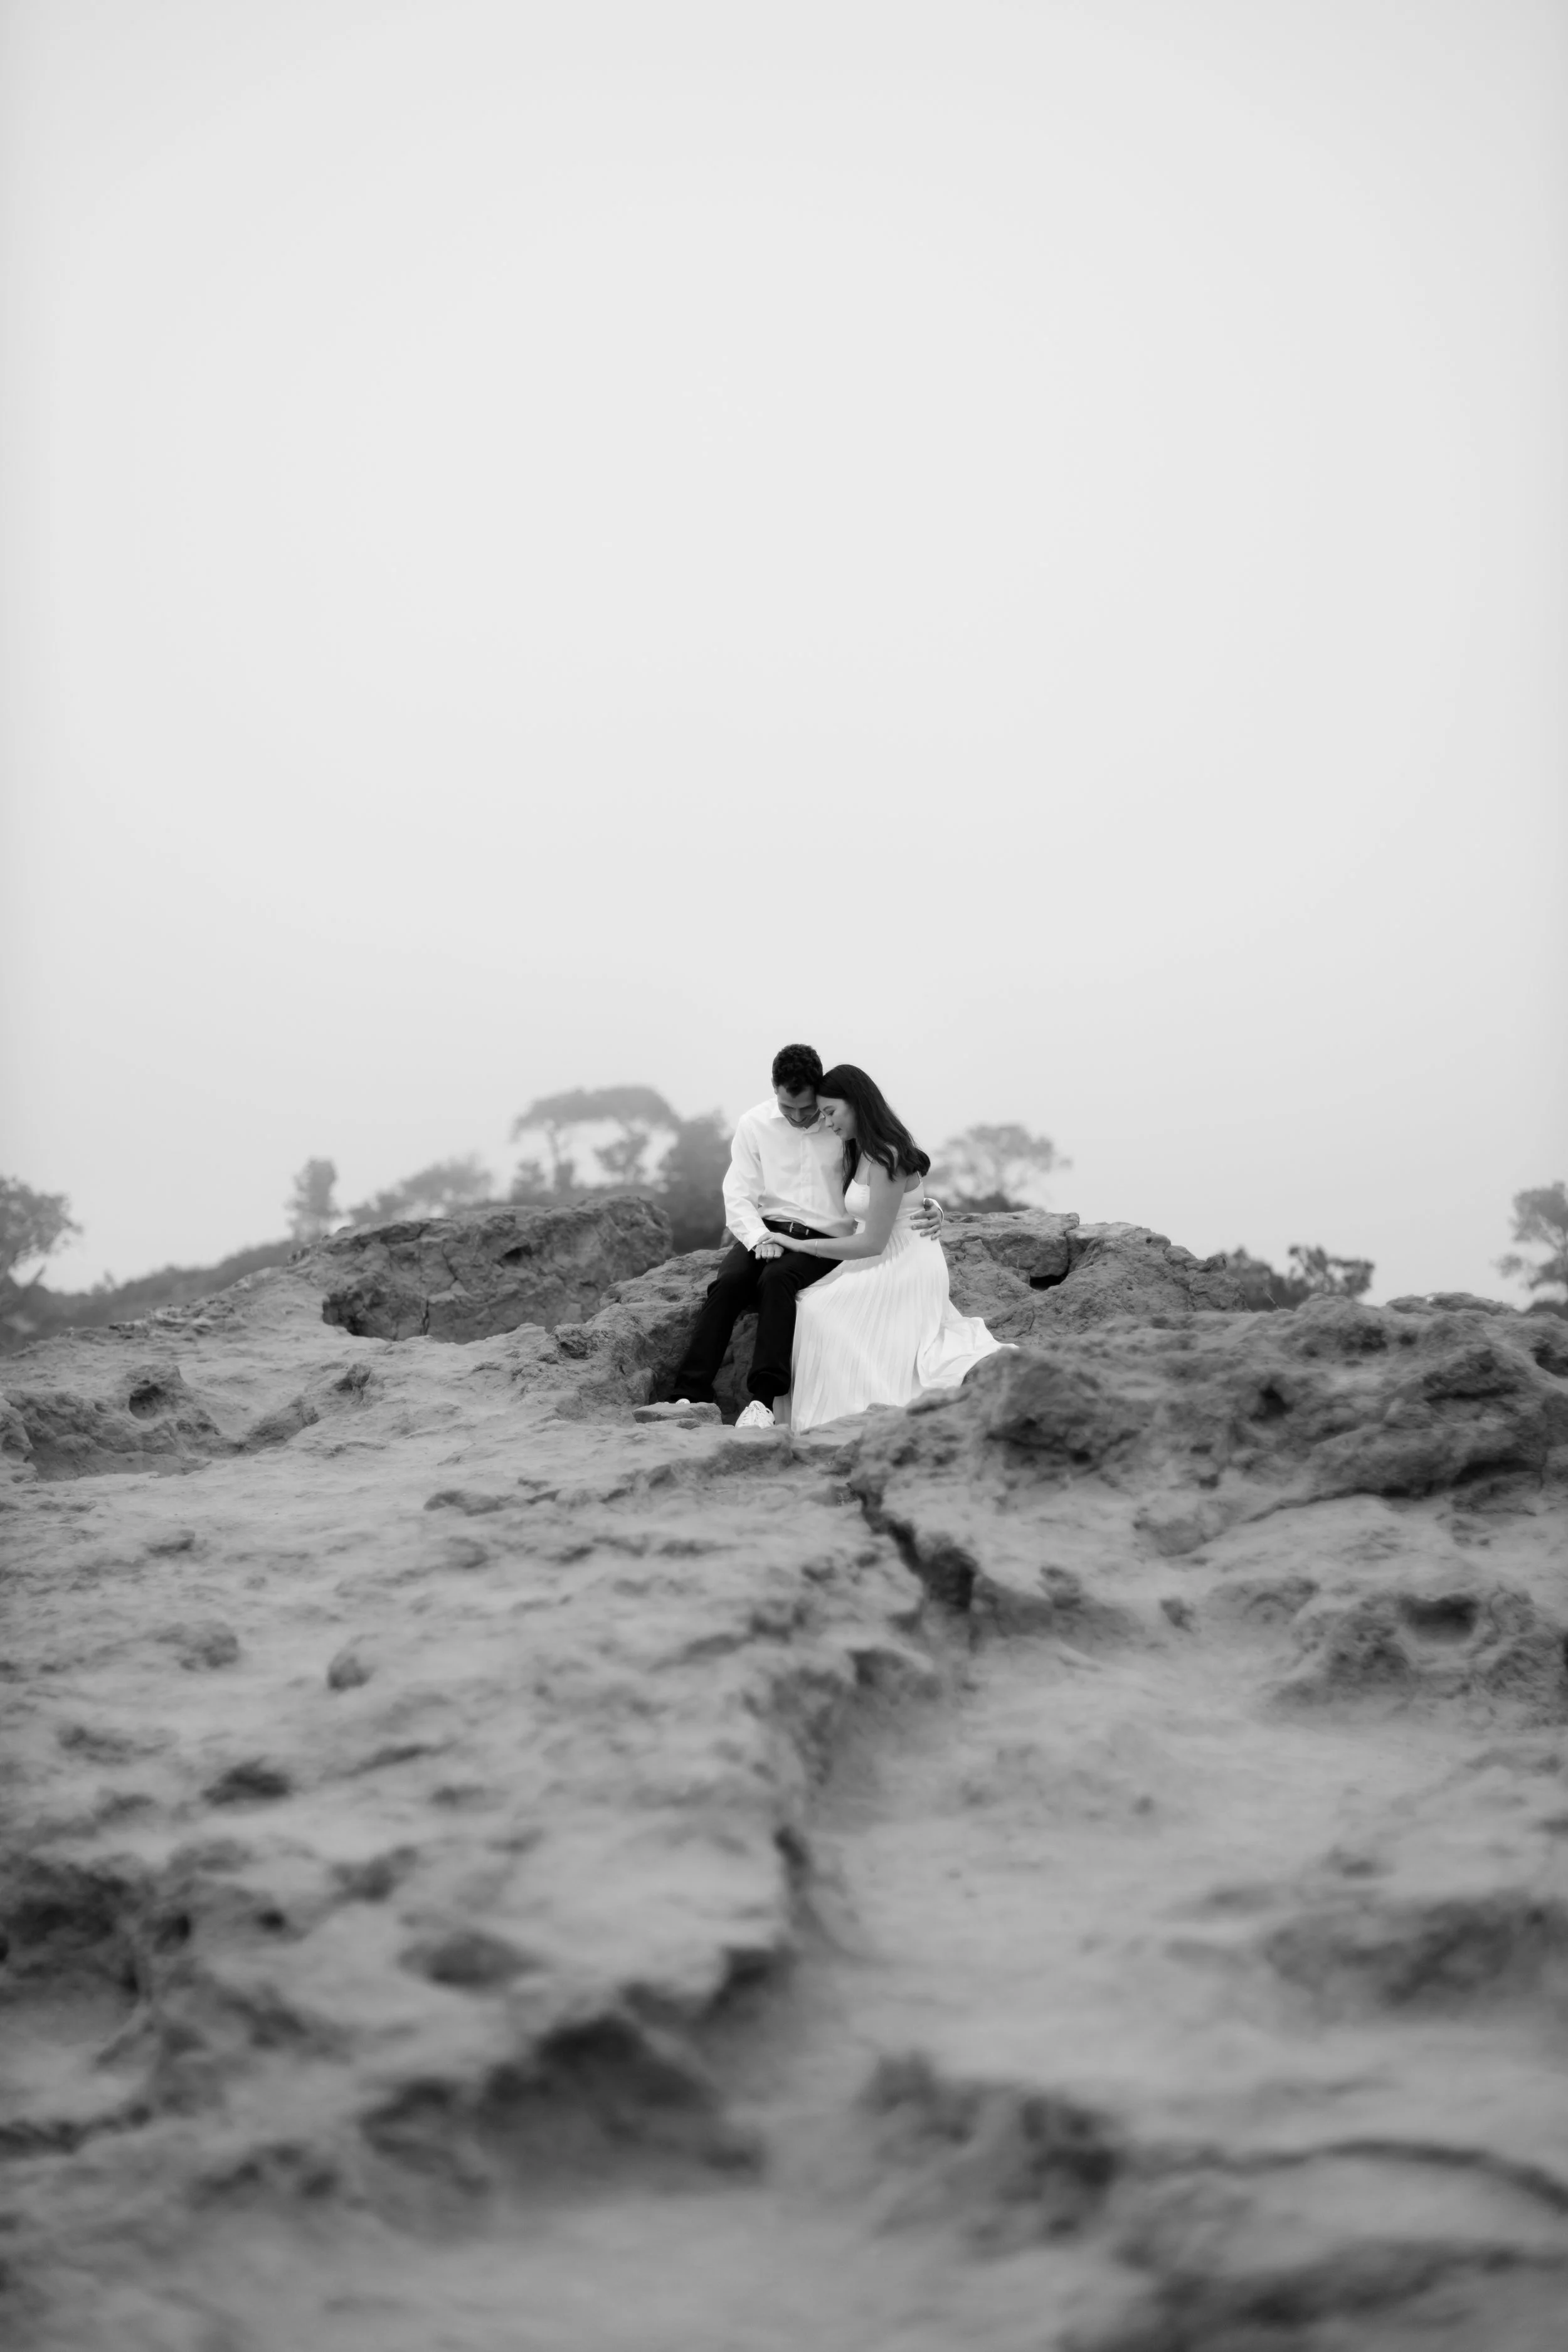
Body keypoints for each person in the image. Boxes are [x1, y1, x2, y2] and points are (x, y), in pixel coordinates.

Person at [667, 1042, 946, 1428]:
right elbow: (738, 1194)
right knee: (729, 1284)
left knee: (778, 1280)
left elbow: (891, 1177)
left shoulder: (843, 1129)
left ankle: (762, 1402)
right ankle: (688, 1394)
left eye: (808, 1108)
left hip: (825, 1239)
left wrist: (929, 1205)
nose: (799, 1117)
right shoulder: (754, 1124)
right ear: (774, 1089)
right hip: (766, 1230)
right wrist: (759, 1239)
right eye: (788, 1108)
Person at [770, 1062, 1009, 1433]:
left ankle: (856, 1415)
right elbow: (894, 1206)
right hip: (880, 1257)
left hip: (904, 1262)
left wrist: (799, 1244)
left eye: (831, 1112)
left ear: (857, 1103)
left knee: (821, 1313)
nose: (827, 1123)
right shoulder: (859, 1149)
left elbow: (873, 1240)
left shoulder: (887, 1156)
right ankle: (828, 1419)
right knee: (809, 1304)